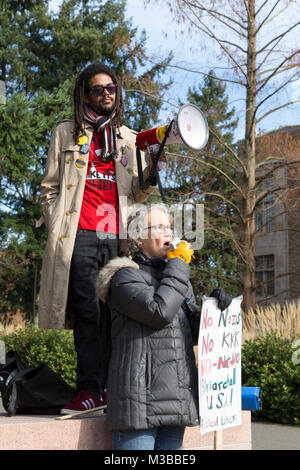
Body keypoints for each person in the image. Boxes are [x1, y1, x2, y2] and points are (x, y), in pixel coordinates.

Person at [37, 62, 158, 414]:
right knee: (88, 313)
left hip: (118, 238)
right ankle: (89, 390)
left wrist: (150, 175)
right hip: (80, 235)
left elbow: (138, 192)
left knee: (116, 315)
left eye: (112, 88)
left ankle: (112, 389)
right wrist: (55, 220)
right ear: (84, 94)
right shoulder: (66, 132)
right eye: (98, 89)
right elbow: (50, 187)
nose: (107, 94)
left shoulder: (130, 138)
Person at [97, 203, 232, 450]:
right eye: (159, 227)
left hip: (175, 401)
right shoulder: (125, 277)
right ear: (139, 235)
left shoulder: (174, 277)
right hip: (139, 405)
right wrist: (178, 266)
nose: (168, 232)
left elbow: (191, 333)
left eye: (169, 226)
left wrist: (215, 307)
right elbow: (159, 311)